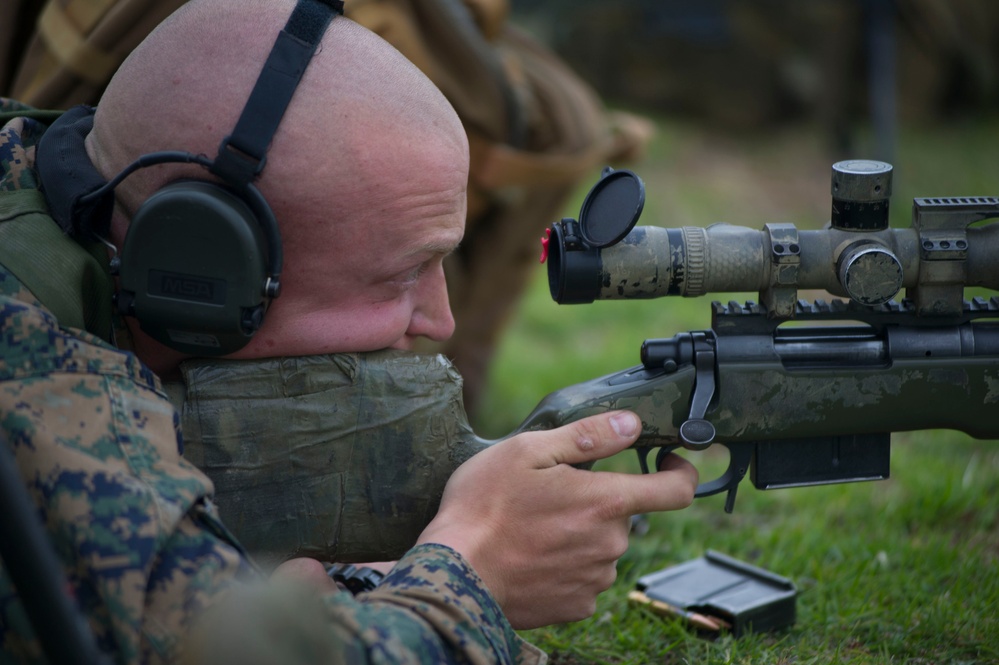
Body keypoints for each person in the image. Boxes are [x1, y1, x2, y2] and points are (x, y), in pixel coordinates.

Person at [0, 1, 697, 663]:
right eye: (400, 276)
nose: (441, 321)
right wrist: (477, 565)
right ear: (201, 266)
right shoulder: (36, 383)